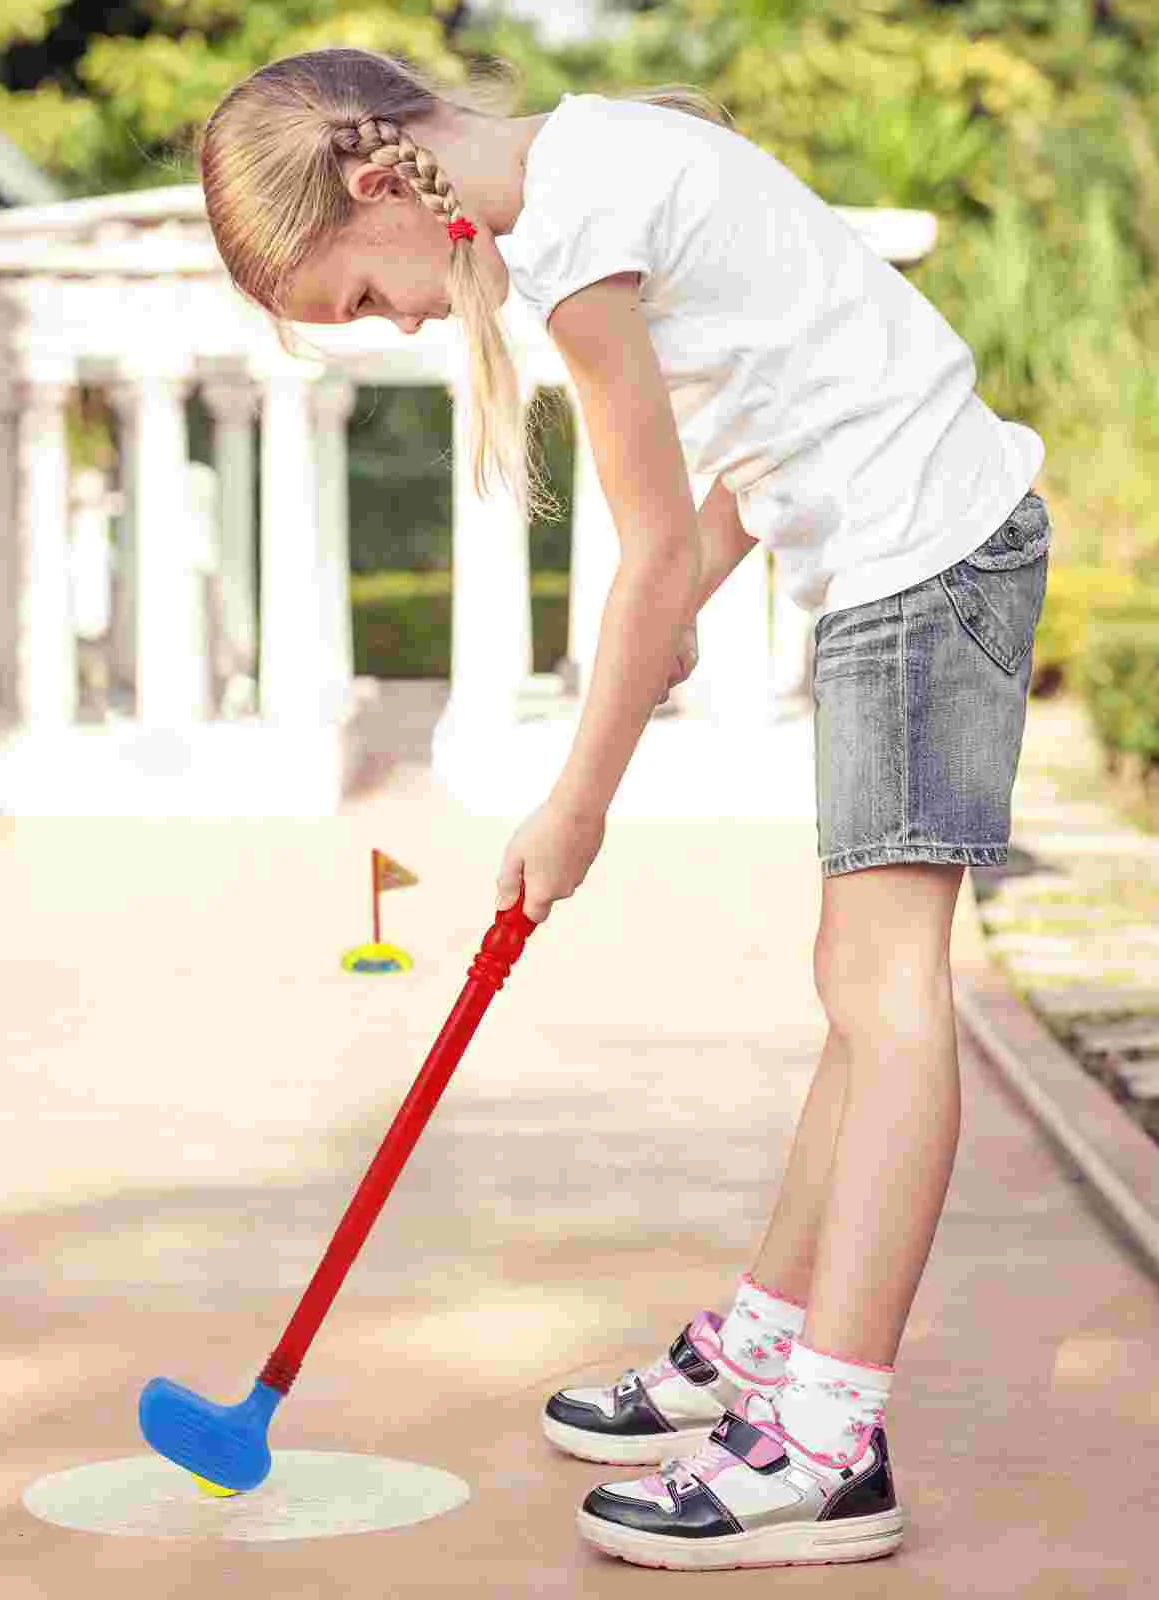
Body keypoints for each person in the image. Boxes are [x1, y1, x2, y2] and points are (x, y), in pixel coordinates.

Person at [198, 48, 1050, 1571]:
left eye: (359, 297)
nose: (395, 321)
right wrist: (685, 606)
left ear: (375, 180)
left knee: (891, 994)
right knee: (855, 995)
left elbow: (647, 545)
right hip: (900, 561)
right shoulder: (589, 175)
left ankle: (830, 1438)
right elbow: (766, 434)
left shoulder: (575, 227)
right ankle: (774, 1349)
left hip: (928, 563)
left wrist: (572, 801)